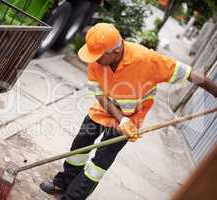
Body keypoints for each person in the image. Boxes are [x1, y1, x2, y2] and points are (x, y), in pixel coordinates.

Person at [40, 23, 217, 200]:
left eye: (98, 56)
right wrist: (119, 118)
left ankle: (73, 197)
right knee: (79, 147)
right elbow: (99, 93)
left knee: (99, 163)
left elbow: (190, 74)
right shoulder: (96, 58)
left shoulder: (147, 60)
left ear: (115, 52)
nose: (93, 60)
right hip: (102, 110)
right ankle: (63, 183)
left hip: (130, 120)